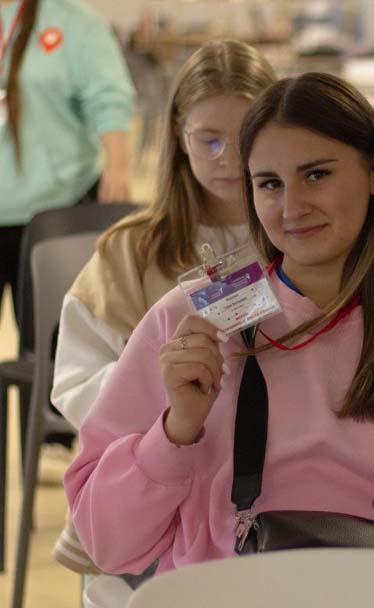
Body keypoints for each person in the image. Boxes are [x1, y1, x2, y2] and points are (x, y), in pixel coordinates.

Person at [64, 72, 374, 576]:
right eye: (269, 184)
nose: (293, 208)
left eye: (316, 175)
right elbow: (105, 542)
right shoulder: (191, 324)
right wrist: (175, 430)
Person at [50, 39, 276, 574]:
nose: (229, 159)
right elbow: (77, 383)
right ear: (178, 135)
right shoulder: (131, 251)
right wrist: (165, 388)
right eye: (209, 140)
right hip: (161, 490)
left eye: (246, 138)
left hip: (275, 485)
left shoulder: (300, 237)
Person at [0, 0, 134, 318]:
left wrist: (117, 166)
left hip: (54, 209)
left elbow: (108, 97)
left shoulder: (73, 20)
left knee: (48, 335)